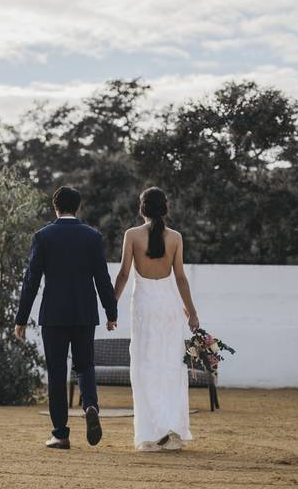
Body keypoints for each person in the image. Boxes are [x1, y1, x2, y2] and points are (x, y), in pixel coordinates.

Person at [14, 186, 118, 449]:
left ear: (55, 207)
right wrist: (111, 312)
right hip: (85, 313)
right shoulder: (92, 236)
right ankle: (90, 405)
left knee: (57, 373)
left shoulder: (43, 236)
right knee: (85, 366)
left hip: (54, 315)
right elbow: (102, 278)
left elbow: (31, 280)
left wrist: (21, 318)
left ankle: (60, 434)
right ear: (78, 207)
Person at [113, 186, 199, 452]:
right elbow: (181, 278)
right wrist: (192, 313)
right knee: (171, 367)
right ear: (165, 208)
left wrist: (110, 306)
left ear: (142, 208)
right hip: (169, 305)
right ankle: (171, 429)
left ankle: (150, 433)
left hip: (144, 306)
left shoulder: (132, 235)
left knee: (145, 367)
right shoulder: (175, 237)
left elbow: (124, 274)